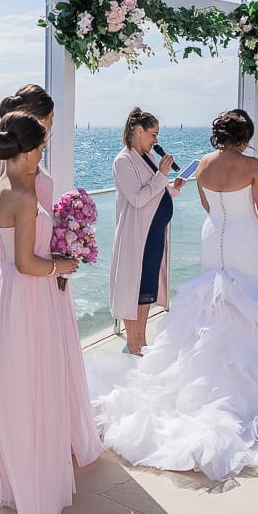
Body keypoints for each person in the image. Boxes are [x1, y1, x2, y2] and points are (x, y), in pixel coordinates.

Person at [88, 111, 258, 482]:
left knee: (212, 308)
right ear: (245, 136)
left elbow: (206, 206)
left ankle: (199, 381)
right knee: (251, 303)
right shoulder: (251, 165)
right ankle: (242, 388)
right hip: (244, 240)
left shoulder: (204, 166)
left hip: (211, 237)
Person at [0, 111, 102, 514]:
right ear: (27, 151)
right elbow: (30, 263)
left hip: (3, 292)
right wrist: (61, 265)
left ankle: (17, 477)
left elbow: (1, 253)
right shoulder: (25, 197)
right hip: (29, 296)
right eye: (42, 147)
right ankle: (36, 484)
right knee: (34, 383)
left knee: (13, 384)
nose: (43, 153)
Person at [109, 108, 186, 355]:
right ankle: (133, 342)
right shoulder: (123, 161)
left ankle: (140, 338)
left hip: (153, 234)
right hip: (137, 235)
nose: (156, 140)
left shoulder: (149, 157)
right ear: (138, 131)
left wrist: (172, 186)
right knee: (134, 287)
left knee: (146, 289)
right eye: (153, 134)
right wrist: (162, 176)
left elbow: (155, 191)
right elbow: (138, 198)